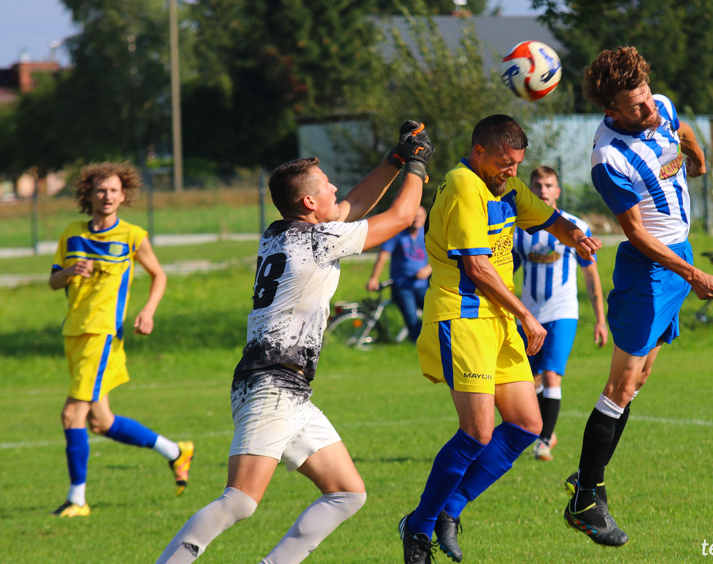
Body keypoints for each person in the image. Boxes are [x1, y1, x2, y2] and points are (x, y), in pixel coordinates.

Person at [155, 120, 433, 564]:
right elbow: (399, 217)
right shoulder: (318, 242)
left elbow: (355, 203)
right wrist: (418, 164)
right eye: (326, 186)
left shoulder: (281, 233)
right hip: (271, 386)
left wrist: (397, 158)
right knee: (239, 501)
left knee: (346, 493)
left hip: (287, 387)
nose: (335, 189)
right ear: (309, 202)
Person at [399, 114, 602, 564]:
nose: (512, 171)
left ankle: (449, 510)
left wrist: (577, 238)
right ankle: (417, 527)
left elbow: (549, 218)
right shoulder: (463, 186)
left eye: (517, 163)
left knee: (528, 425)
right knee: (477, 431)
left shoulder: (504, 187)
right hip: (463, 315)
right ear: (480, 154)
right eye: (506, 163)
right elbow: (477, 267)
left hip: (499, 319)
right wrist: (528, 316)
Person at [563, 46, 713, 547]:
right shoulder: (607, 158)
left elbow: (684, 134)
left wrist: (693, 159)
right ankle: (586, 498)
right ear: (610, 110)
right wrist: (694, 274)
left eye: (647, 97)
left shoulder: (663, 107)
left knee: (638, 381)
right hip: (650, 271)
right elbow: (636, 235)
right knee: (620, 385)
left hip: (679, 259)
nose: (649, 110)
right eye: (636, 107)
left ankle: (590, 482)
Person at [49, 162, 193, 518]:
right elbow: (53, 281)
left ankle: (77, 500)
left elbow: (158, 275)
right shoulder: (72, 233)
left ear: (123, 195)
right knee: (101, 422)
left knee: (72, 415)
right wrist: (69, 271)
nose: (108, 196)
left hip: (103, 335)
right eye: (101, 190)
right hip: (74, 332)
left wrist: (148, 311)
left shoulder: (132, 235)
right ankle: (176, 451)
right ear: (89, 195)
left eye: (114, 190)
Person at [512, 166, 608, 462]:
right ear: (530, 189)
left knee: (552, 376)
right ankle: (547, 431)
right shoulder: (517, 229)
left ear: (558, 191)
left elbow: (591, 276)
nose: (543, 189)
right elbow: (505, 270)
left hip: (563, 312)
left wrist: (600, 320)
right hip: (528, 316)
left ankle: (542, 441)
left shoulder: (575, 227)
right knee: (529, 381)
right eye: (537, 184)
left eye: (549, 184)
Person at [366, 205, 432, 342]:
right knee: (411, 318)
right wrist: (374, 278)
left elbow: (441, 254)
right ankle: (419, 344)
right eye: (414, 216)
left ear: (425, 219)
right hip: (402, 285)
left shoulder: (427, 234)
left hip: (422, 285)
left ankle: (431, 342)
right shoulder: (398, 234)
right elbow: (383, 255)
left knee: (433, 314)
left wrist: (428, 269)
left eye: (420, 216)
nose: (417, 219)